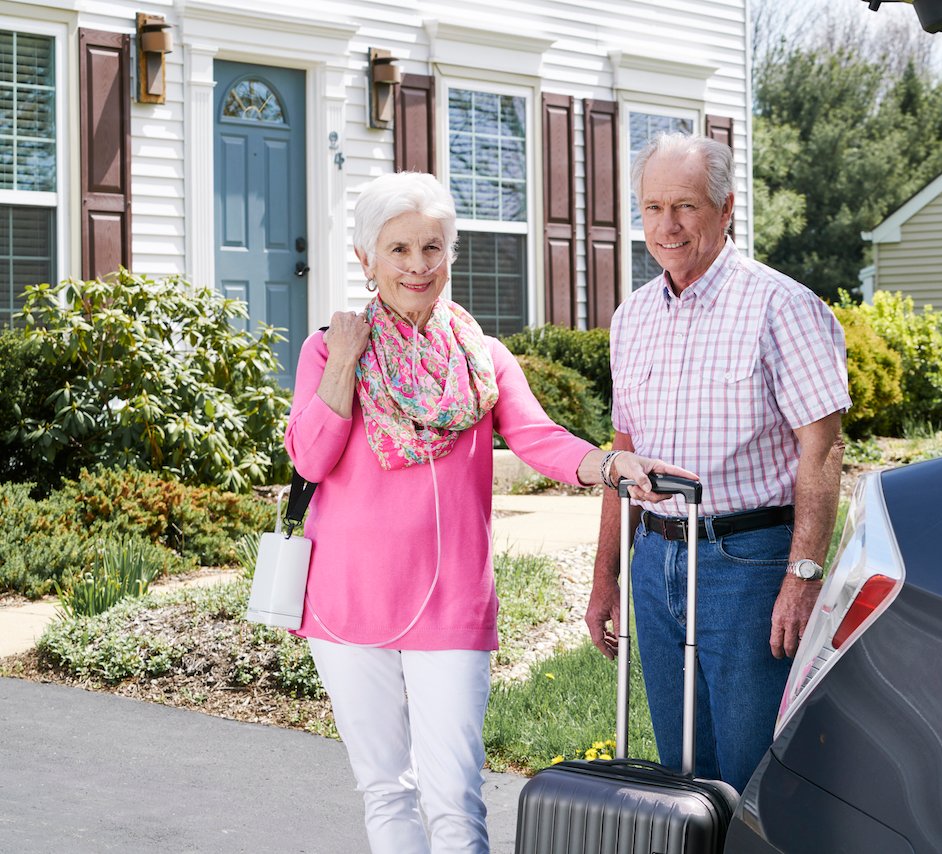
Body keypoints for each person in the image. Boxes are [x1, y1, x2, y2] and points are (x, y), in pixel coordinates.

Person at [284, 171, 692, 854]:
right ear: (365, 259)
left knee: (454, 800)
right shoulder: (330, 348)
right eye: (399, 250)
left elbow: (537, 437)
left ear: (452, 253)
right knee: (386, 791)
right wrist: (342, 365)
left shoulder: (482, 357)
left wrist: (608, 464)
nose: (418, 266)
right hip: (346, 601)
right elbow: (308, 459)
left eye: (433, 248)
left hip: (451, 603)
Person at [585, 134, 851, 794]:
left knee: (755, 772)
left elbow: (824, 448)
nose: (667, 226)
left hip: (748, 564)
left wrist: (804, 574)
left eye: (685, 206)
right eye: (652, 208)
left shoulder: (782, 306)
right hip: (654, 562)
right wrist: (604, 576)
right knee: (682, 775)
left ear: (726, 208)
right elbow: (621, 457)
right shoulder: (631, 319)